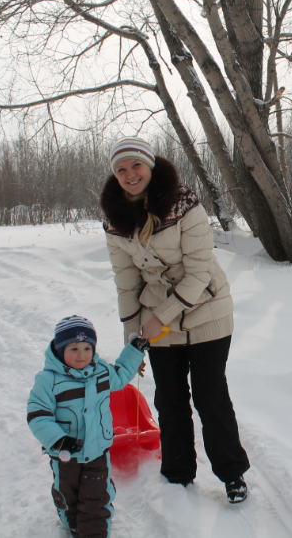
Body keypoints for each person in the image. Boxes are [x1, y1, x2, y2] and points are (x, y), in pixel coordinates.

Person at [99, 136, 250, 503]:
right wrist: (131, 341)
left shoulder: (184, 204)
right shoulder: (114, 221)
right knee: (169, 399)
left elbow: (199, 273)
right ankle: (178, 474)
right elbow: (127, 283)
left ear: (149, 165)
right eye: (121, 170)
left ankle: (232, 474)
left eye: (136, 165)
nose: (130, 174)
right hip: (156, 318)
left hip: (207, 310)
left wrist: (159, 319)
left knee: (209, 395)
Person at [27, 315, 148, 538]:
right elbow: (38, 416)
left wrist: (134, 351)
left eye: (86, 347)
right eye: (73, 348)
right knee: (68, 496)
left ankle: (93, 532)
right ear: (60, 350)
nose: (81, 354)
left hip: (96, 452)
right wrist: (59, 440)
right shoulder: (48, 380)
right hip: (65, 455)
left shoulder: (101, 371)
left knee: (96, 498)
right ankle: (70, 521)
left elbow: (121, 376)